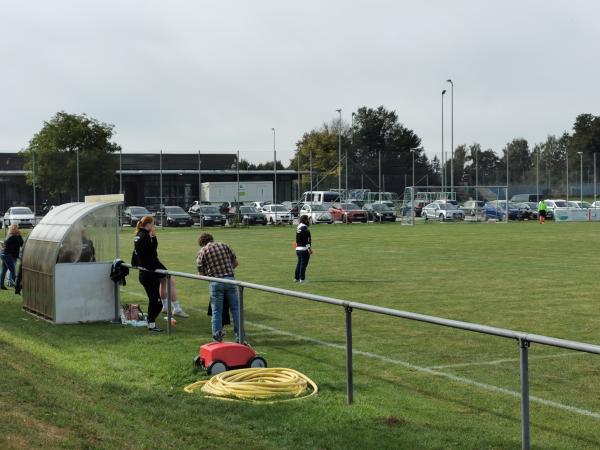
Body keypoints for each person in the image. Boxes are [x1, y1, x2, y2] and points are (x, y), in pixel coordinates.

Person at [196, 233, 241, 342]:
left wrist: (207, 273)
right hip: (230, 280)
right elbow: (235, 263)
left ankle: (217, 338)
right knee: (236, 310)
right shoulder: (224, 245)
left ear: (202, 243)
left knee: (217, 312)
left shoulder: (203, 251)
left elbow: (201, 273)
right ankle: (240, 337)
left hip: (215, 282)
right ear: (212, 239)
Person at [132, 216, 165, 332]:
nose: (154, 226)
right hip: (148, 274)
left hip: (145, 273)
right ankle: (151, 323)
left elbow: (136, 253)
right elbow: (152, 253)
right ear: (149, 224)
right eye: (153, 224)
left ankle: (151, 322)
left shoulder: (139, 234)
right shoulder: (145, 236)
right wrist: (154, 237)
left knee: (155, 300)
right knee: (156, 302)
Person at [1, 224, 23, 290]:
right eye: (17, 229)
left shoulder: (9, 235)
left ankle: (1, 285)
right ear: (15, 230)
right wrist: (19, 235)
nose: (18, 230)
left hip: (3, 254)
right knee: (13, 272)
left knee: (3, 271)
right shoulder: (14, 237)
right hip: (8, 256)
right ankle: (18, 286)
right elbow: (22, 243)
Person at [294, 215, 312, 283]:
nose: (309, 221)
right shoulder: (305, 228)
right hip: (304, 249)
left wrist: (296, 247)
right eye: (308, 219)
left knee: (299, 263)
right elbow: (306, 240)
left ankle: (296, 278)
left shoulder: (298, 227)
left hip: (298, 249)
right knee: (303, 265)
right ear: (305, 220)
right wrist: (309, 249)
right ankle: (302, 279)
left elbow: (297, 239)